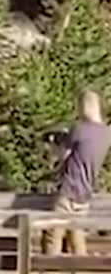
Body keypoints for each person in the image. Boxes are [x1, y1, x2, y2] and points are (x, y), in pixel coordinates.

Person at [43, 88, 111, 258]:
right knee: (77, 238)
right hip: (85, 194)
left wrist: (54, 145)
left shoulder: (79, 129)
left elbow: (63, 155)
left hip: (68, 191)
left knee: (53, 236)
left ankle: (50, 269)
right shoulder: (106, 134)